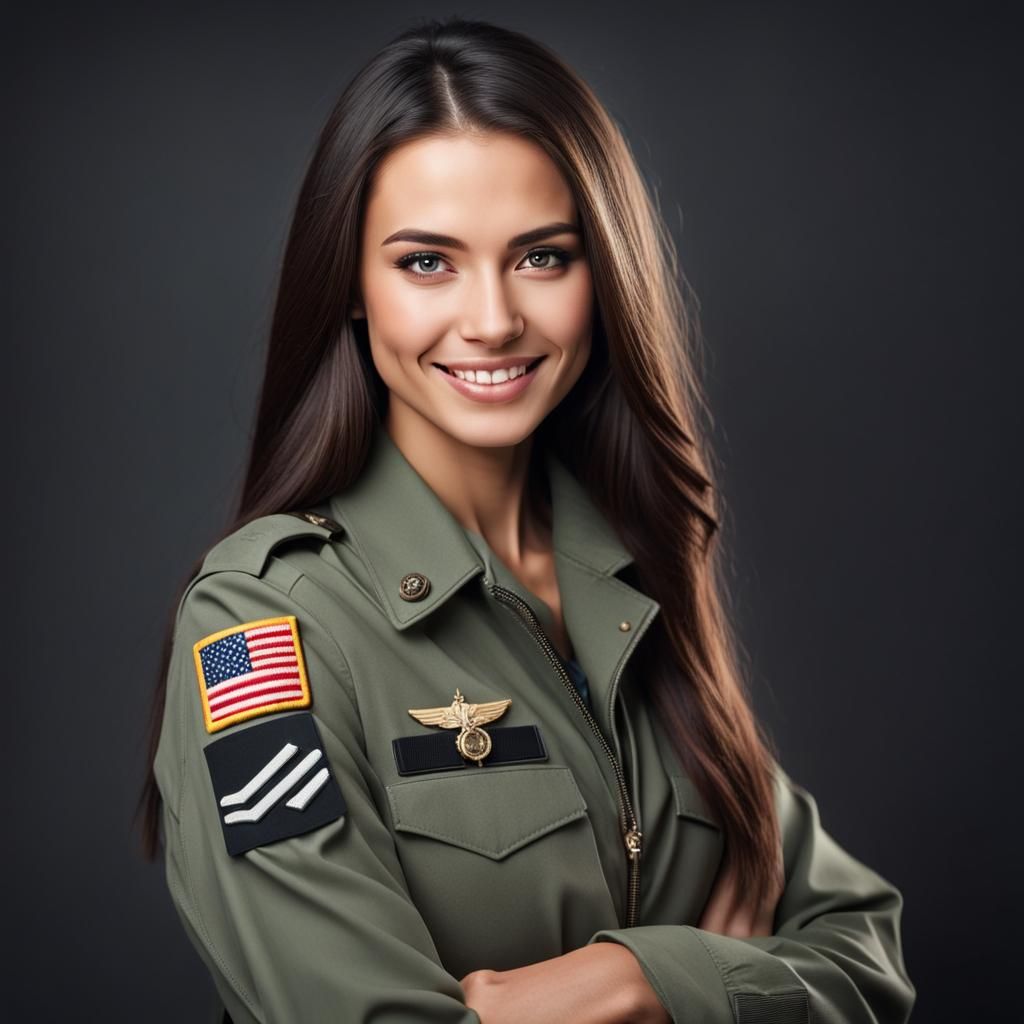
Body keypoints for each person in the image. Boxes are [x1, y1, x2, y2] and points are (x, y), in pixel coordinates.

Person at [138, 17, 915, 1024]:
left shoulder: (632, 581)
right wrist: (732, 981)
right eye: (427, 263)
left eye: (542, 257)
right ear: (353, 289)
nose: (494, 317)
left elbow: (868, 951)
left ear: (604, 279)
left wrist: (641, 980)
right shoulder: (264, 626)